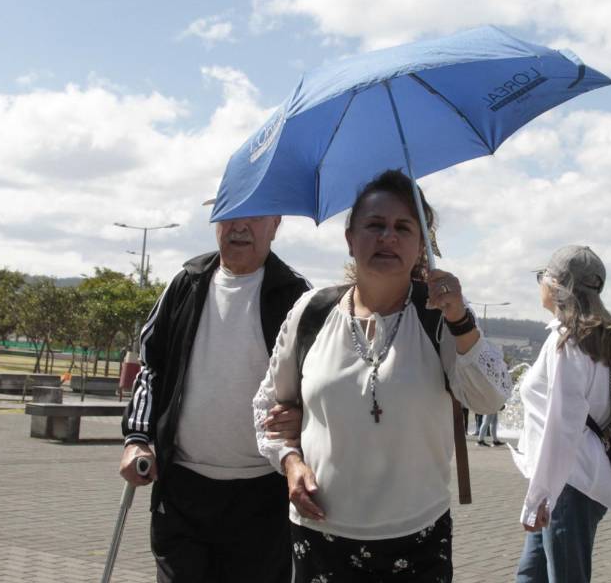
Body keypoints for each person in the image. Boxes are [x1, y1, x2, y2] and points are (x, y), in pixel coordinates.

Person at [252, 170, 511, 582]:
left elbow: (491, 398)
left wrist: (461, 320)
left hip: (417, 539)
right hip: (320, 536)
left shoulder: (440, 318)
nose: (387, 237)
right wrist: (290, 462)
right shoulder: (311, 313)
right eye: (375, 226)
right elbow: (269, 409)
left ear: (421, 244)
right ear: (351, 238)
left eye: (402, 227)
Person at [119, 213, 311, 582]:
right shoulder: (186, 283)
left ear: (275, 224)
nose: (239, 227)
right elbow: (151, 366)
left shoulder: (296, 295)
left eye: (254, 218)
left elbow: (321, 385)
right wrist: (137, 440)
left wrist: (303, 416)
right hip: (183, 491)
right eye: (229, 216)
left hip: (263, 495)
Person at [513, 245, 611, 583]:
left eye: (542, 277)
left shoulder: (568, 341)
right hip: (573, 479)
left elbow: (562, 425)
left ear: (556, 285)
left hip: (567, 482)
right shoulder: (599, 340)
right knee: (529, 575)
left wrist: (538, 497)